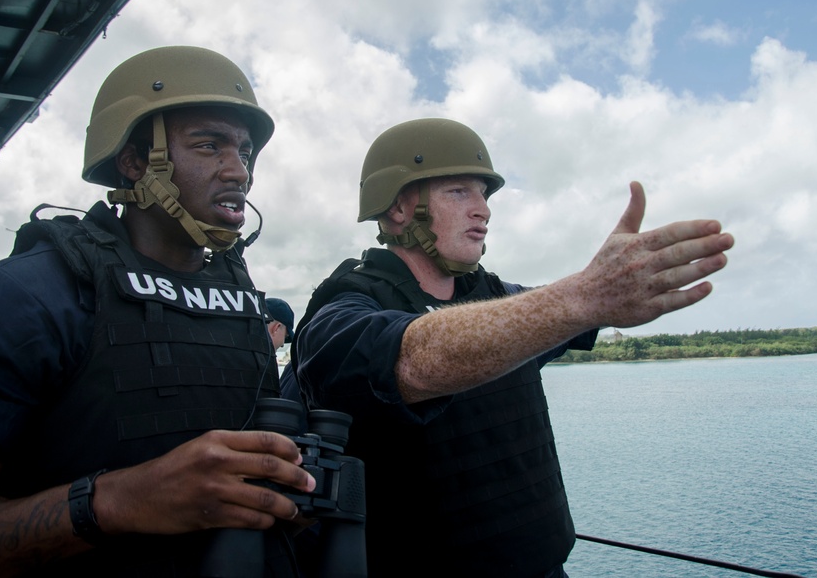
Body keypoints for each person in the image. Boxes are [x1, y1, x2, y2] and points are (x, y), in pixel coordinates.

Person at [0, 46, 316, 577]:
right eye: (209, 146)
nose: (239, 172)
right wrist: (115, 501)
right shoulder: (27, 295)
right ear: (134, 161)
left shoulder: (239, 293)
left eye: (245, 153)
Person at [282, 117, 734, 577]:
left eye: (484, 194)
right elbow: (413, 359)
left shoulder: (498, 297)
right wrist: (583, 296)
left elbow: (547, 312)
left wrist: (599, 296)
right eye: (460, 192)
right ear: (400, 208)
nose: (484, 210)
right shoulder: (340, 310)